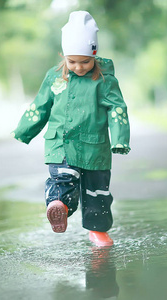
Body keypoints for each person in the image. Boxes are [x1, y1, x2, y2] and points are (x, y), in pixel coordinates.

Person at [11, 11, 130, 247]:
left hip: (94, 147)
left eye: (85, 61)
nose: (78, 67)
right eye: (72, 61)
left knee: (98, 193)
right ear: (63, 56)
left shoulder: (104, 81)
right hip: (61, 143)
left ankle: (98, 231)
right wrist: (25, 129)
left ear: (94, 55)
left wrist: (120, 139)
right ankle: (59, 205)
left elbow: (117, 109)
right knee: (63, 179)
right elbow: (40, 105)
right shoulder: (54, 78)